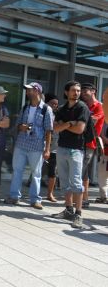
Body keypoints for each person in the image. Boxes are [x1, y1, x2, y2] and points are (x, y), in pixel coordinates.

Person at [5, 82, 53, 210]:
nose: (27, 92)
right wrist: (22, 127)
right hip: (21, 144)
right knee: (17, 171)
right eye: (27, 90)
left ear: (37, 91)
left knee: (36, 173)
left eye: (30, 90)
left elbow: (49, 130)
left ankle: (35, 199)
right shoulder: (25, 107)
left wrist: (47, 149)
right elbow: (18, 124)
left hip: (36, 146)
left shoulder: (46, 109)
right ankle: (14, 197)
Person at [51, 81, 90, 229]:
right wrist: (69, 124)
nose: (77, 93)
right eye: (74, 90)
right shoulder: (61, 109)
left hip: (76, 150)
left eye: (79, 90)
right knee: (65, 181)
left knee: (76, 182)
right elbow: (56, 128)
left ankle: (78, 214)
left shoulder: (82, 108)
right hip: (62, 148)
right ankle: (68, 210)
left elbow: (80, 129)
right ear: (66, 92)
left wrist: (64, 125)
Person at [80, 82, 104, 208]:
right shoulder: (83, 105)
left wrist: (79, 122)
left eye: (85, 91)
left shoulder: (99, 106)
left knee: (82, 169)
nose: (83, 93)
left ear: (93, 91)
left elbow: (92, 122)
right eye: (81, 91)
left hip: (90, 143)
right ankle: (83, 198)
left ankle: (83, 199)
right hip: (78, 141)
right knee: (83, 172)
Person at [43, 93, 60, 202]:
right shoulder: (42, 113)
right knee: (38, 169)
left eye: (56, 104)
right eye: (52, 103)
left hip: (54, 147)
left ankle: (50, 193)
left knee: (52, 171)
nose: (54, 106)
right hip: (40, 145)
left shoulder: (59, 115)